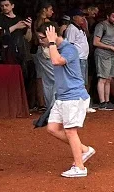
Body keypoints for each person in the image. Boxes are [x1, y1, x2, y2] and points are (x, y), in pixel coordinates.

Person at [37, 22, 96, 178]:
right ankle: (84, 150)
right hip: (62, 96)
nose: (40, 41)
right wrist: (51, 43)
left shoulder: (69, 49)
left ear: (52, 34)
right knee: (52, 128)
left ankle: (80, 167)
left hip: (74, 96)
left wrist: (50, 41)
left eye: (42, 38)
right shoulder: (55, 48)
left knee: (70, 131)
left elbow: (56, 61)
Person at [63, 11, 95, 114]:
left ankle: (83, 105)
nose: (83, 18)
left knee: (83, 83)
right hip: (78, 59)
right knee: (78, 83)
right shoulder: (72, 29)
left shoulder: (80, 28)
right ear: (74, 17)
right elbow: (69, 45)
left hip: (83, 58)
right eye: (81, 16)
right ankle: (78, 106)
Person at [91, 11, 114, 111]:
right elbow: (96, 42)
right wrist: (111, 47)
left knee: (109, 79)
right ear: (108, 16)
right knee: (102, 79)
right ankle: (102, 102)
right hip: (102, 54)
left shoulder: (112, 26)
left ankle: (107, 101)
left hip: (111, 55)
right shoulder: (101, 26)